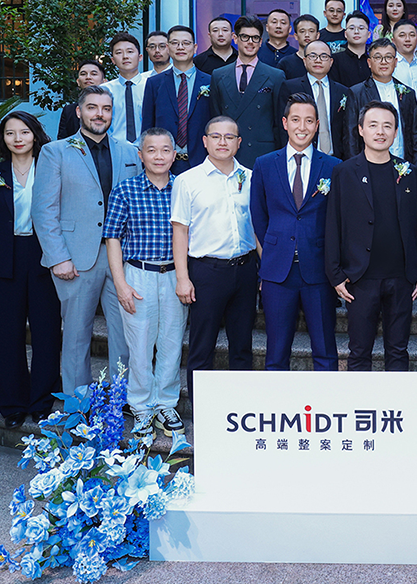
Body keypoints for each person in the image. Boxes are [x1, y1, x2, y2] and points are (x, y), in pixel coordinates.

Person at [33, 85, 138, 393]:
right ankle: (77, 403)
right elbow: (43, 210)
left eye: (106, 109)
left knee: (125, 334)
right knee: (76, 336)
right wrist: (58, 257)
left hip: (121, 258)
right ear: (79, 112)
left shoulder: (129, 151)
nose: (99, 114)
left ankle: (119, 400)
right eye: (92, 108)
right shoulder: (55, 152)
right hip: (75, 259)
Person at [325, 102, 417, 371]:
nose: (380, 132)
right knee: (359, 351)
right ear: (360, 130)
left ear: (396, 132)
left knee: (398, 350)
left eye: (387, 126)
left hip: (400, 278)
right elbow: (333, 224)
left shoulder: (409, 173)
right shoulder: (344, 172)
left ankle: (396, 399)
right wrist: (335, 274)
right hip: (360, 278)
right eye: (373, 125)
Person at [102, 127, 186, 436]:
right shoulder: (125, 190)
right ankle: (140, 406)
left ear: (174, 155)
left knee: (171, 343)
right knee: (139, 346)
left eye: (165, 150)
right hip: (138, 275)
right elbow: (112, 238)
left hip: (175, 274)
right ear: (140, 155)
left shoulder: (184, 188)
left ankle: (165, 403)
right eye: (151, 150)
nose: (159, 156)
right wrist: (120, 284)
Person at [0, 111, 59, 429]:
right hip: (3, 259)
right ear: (3, 139)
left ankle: (41, 402)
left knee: (46, 334)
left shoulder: (51, 168)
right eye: (10, 133)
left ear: (35, 135)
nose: (18, 138)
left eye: (24, 132)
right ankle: (12, 404)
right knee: (8, 335)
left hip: (44, 257)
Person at [251, 94, 341, 371]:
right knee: (276, 353)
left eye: (309, 121)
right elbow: (258, 215)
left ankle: (326, 397)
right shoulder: (265, 164)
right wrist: (272, 252)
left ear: (317, 126)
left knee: (325, 350)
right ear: (285, 123)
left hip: (319, 270)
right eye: (296, 120)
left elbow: (338, 219)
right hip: (278, 271)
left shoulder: (333, 166)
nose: (302, 127)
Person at [171, 116, 258, 397]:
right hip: (207, 272)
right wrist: (182, 278)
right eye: (216, 136)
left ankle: (242, 406)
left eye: (229, 137)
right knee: (202, 345)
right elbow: (180, 231)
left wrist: (265, 269)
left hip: (245, 269)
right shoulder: (187, 181)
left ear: (239, 143)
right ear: (205, 141)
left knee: (242, 345)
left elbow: (257, 226)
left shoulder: (250, 178)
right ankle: (202, 411)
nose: (223, 142)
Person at [210, 15, 286, 167]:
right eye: (245, 37)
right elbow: (215, 118)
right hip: (228, 152)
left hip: (263, 153)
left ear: (260, 41)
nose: (250, 42)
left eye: (255, 38)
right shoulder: (218, 75)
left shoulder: (275, 75)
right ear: (235, 38)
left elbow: (280, 122)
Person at [142, 25, 213, 174]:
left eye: (186, 43)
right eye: (175, 43)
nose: (180, 47)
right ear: (168, 48)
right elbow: (148, 126)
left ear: (195, 48)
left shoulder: (211, 82)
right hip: (163, 163)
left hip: (201, 162)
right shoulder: (154, 83)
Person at [346, 38, 417, 168]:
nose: (383, 62)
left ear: (395, 62)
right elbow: (351, 136)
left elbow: (416, 134)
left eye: (388, 57)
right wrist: (355, 168)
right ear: (369, 62)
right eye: (378, 57)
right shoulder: (357, 93)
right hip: (368, 165)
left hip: (403, 162)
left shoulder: (408, 93)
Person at [281, 39, 352, 159]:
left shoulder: (343, 91)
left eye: (323, 56)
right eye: (313, 56)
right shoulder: (290, 87)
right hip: (302, 155)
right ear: (304, 61)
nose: (318, 60)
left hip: (336, 157)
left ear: (331, 61)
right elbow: (282, 126)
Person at [102, 32, 150, 144]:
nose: (125, 56)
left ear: (140, 57)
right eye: (119, 53)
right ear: (113, 60)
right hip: (113, 148)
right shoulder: (104, 90)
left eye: (130, 52)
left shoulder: (151, 86)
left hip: (148, 148)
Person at [57, 59, 105, 140]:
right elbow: (62, 140)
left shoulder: (112, 108)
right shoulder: (69, 110)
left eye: (93, 74)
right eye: (83, 74)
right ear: (78, 82)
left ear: (104, 81)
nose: (88, 77)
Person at [330, 10, 372, 88]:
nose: (356, 32)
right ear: (345, 34)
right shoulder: (335, 60)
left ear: (369, 34)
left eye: (361, 28)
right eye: (352, 28)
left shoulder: (373, 60)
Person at [278, 14, 320, 80]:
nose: (307, 35)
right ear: (296, 36)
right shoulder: (286, 63)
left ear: (317, 35)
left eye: (311, 31)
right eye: (302, 31)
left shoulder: (324, 62)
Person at [391, 18, 417, 97]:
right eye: (402, 35)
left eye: (412, 35)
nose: (407, 39)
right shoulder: (390, 66)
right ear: (393, 41)